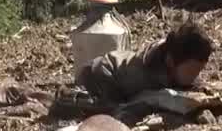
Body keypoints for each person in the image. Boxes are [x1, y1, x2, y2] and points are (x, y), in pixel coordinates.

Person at [76, 21, 214, 104]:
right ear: (171, 62)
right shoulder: (146, 78)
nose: (196, 76)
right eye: (192, 72)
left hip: (110, 67)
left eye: (199, 71)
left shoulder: (175, 59)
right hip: (99, 73)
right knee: (114, 109)